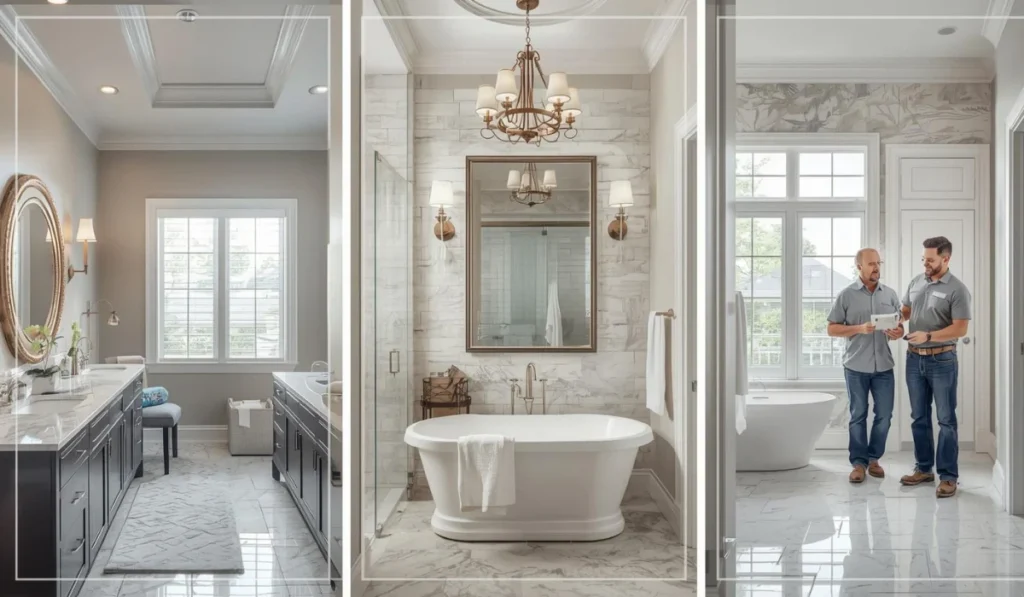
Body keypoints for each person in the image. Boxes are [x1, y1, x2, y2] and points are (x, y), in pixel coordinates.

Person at [899, 236, 971, 498]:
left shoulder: (957, 289)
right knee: (918, 417)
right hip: (913, 359)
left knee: (946, 420)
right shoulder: (916, 282)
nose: (925, 263)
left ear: (946, 258)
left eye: (930, 259)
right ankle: (924, 469)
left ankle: (949, 477)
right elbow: (906, 311)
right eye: (923, 259)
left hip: (942, 360)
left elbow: (960, 328)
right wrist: (896, 323)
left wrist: (929, 336)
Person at [826, 248, 903, 484]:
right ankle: (858, 463)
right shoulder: (846, 295)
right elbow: (832, 328)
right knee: (858, 415)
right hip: (856, 366)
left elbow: (899, 329)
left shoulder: (889, 295)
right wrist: (858, 329)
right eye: (871, 264)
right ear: (858, 266)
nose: (876, 267)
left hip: (884, 367)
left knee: (885, 415)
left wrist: (897, 332)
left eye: (878, 263)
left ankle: (873, 459)